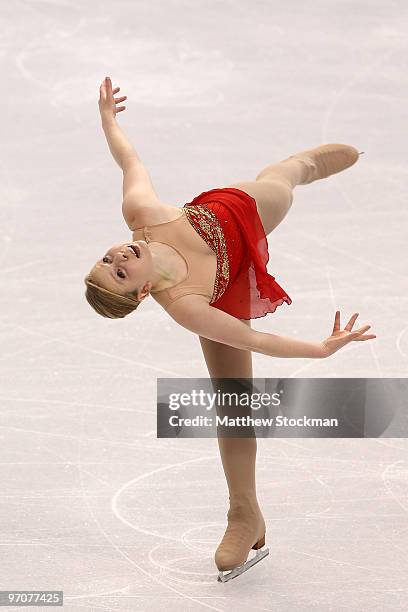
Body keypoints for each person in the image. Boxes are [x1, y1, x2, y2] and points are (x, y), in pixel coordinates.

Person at [84, 77, 376, 582]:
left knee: (284, 179)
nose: (119, 255)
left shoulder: (144, 215)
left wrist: (109, 120)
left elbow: (131, 163)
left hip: (237, 214)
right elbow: (256, 340)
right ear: (140, 294)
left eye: (108, 258)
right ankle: (244, 512)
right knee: (234, 401)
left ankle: (299, 163)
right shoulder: (186, 306)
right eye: (120, 271)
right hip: (222, 292)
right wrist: (320, 349)